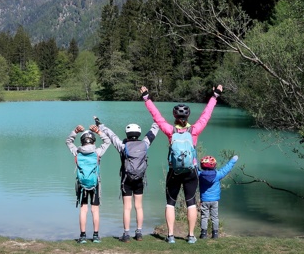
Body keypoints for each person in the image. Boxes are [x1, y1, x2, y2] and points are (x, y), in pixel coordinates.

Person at [139, 84, 223, 244]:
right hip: (191, 172)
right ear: (188, 117)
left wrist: (147, 98)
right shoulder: (195, 130)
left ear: (175, 117)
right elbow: (206, 115)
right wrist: (215, 96)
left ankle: (170, 236)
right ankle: (191, 236)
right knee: (191, 203)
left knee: (170, 203)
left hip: (174, 172)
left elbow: (157, 117)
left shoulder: (170, 131)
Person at [95, 116, 159, 242]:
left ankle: (126, 234)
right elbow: (153, 132)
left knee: (127, 208)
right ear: (139, 133)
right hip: (139, 179)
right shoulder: (145, 144)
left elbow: (112, 136)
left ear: (127, 134)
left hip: (126, 180)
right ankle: (139, 233)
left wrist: (100, 125)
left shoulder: (123, 146)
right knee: (139, 207)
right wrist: (157, 121)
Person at [65, 123, 111, 244]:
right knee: (95, 210)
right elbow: (108, 141)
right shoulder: (97, 152)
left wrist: (75, 131)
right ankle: (95, 236)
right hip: (95, 184)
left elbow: (68, 142)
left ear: (82, 141)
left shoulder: (77, 152)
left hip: (81, 184)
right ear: (93, 140)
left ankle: (83, 236)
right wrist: (98, 131)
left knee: (83, 209)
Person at [198, 155, 238, 239]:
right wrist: (233, 160)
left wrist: (193, 161)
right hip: (215, 201)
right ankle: (215, 234)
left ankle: (203, 234)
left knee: (204, 217)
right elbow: (226, 168)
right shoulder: (218, 175)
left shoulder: (199, 175)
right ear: (214, 165)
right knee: (215, 217)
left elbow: (193, 169)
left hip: (204, 200)